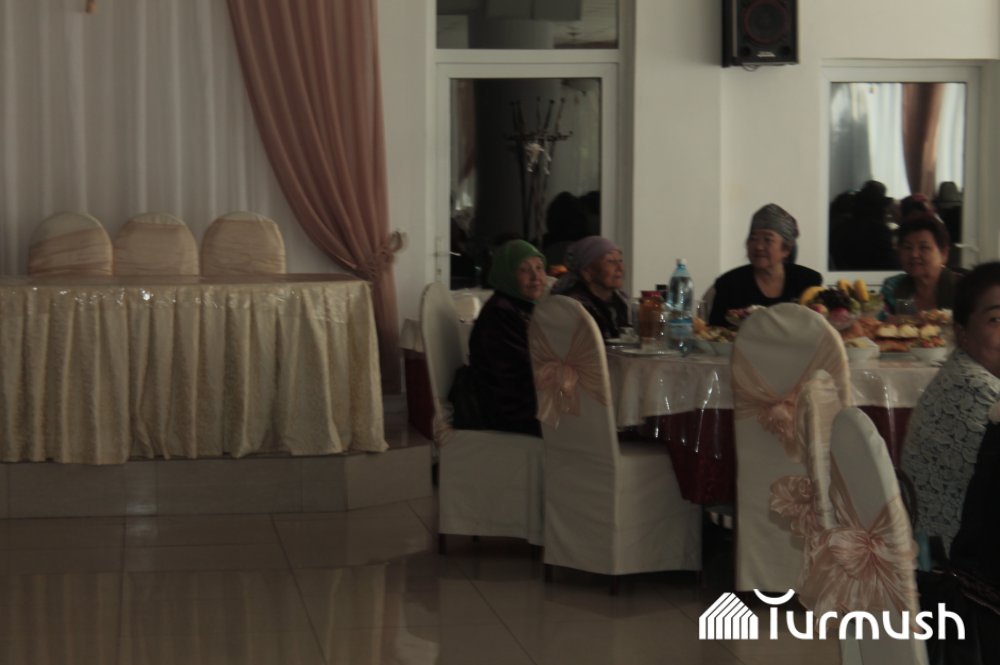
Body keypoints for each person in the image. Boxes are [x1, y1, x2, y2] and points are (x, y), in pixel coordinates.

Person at [902, 262, 1000, 552]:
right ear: (962, 332)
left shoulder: (964, 371)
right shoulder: (977, 391)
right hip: (956, 564)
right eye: (996, 319)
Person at [467, 239, 546, 436]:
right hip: (509, 410)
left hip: (526, 399)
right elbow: (523, 370)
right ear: (507, 274)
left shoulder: (522, 306)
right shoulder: (500, 313)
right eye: (524, 270)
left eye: (539, 268)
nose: (536, 277)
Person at [707, 203, 823, 327]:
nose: (758, 246)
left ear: (786, 249)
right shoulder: (729, 284)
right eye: (753, 238)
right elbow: (715, 330)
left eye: (768, 240)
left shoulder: (808, 282)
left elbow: (820, 327)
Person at [880, 212, 962, 315]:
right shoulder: (892, 287)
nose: (914, 254)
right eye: (908, 247)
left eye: (924, 247)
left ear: (944, 253)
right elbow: (879, 322)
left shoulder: (963, 289)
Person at [551, 236, 629, 339]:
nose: (620, 268)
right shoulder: (573, 306)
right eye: (610, 261)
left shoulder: (621, 301)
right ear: (587, 272)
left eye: (620, 260)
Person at [829, 179, 898, 271]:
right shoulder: (879, 231)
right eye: (883, 207)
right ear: (879, 209)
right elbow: (890, 265)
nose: (886, 211)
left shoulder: (840, 229)